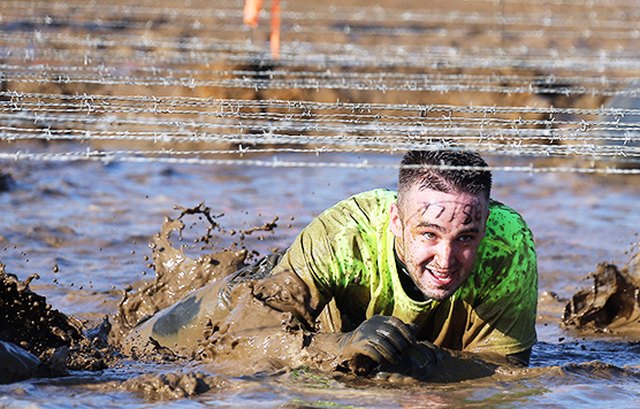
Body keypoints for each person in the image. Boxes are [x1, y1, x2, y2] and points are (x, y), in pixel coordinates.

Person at [125, 149, 537, 376]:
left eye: (466, 238)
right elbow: (244, 336)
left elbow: (504, 370)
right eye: (428, 234)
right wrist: (340, 345)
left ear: (484, 225)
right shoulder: (345, 235)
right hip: (276, 302)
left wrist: (418, 361)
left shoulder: (508, 245)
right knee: (141, 348)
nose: (446, 259)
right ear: (396, 220)